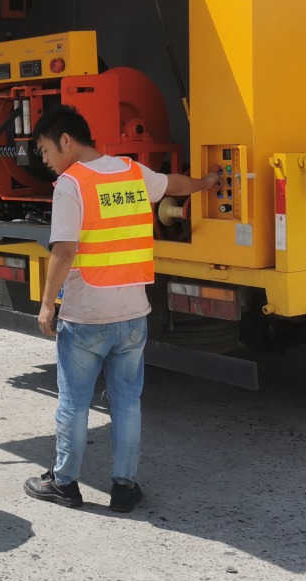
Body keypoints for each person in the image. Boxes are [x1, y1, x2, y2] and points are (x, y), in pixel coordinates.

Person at [23, 105, 220, 513]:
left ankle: (64, 483)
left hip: (86, 316)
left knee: (74, 404)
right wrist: (208, 182)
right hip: (132, 311)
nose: (45, 161)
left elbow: (63, 250)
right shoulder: (133, 173)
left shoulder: (71, 184)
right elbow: (174, 184)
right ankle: (125, 486)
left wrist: (47, 304)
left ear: (65, 141)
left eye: (44, 150)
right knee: (127, 402)